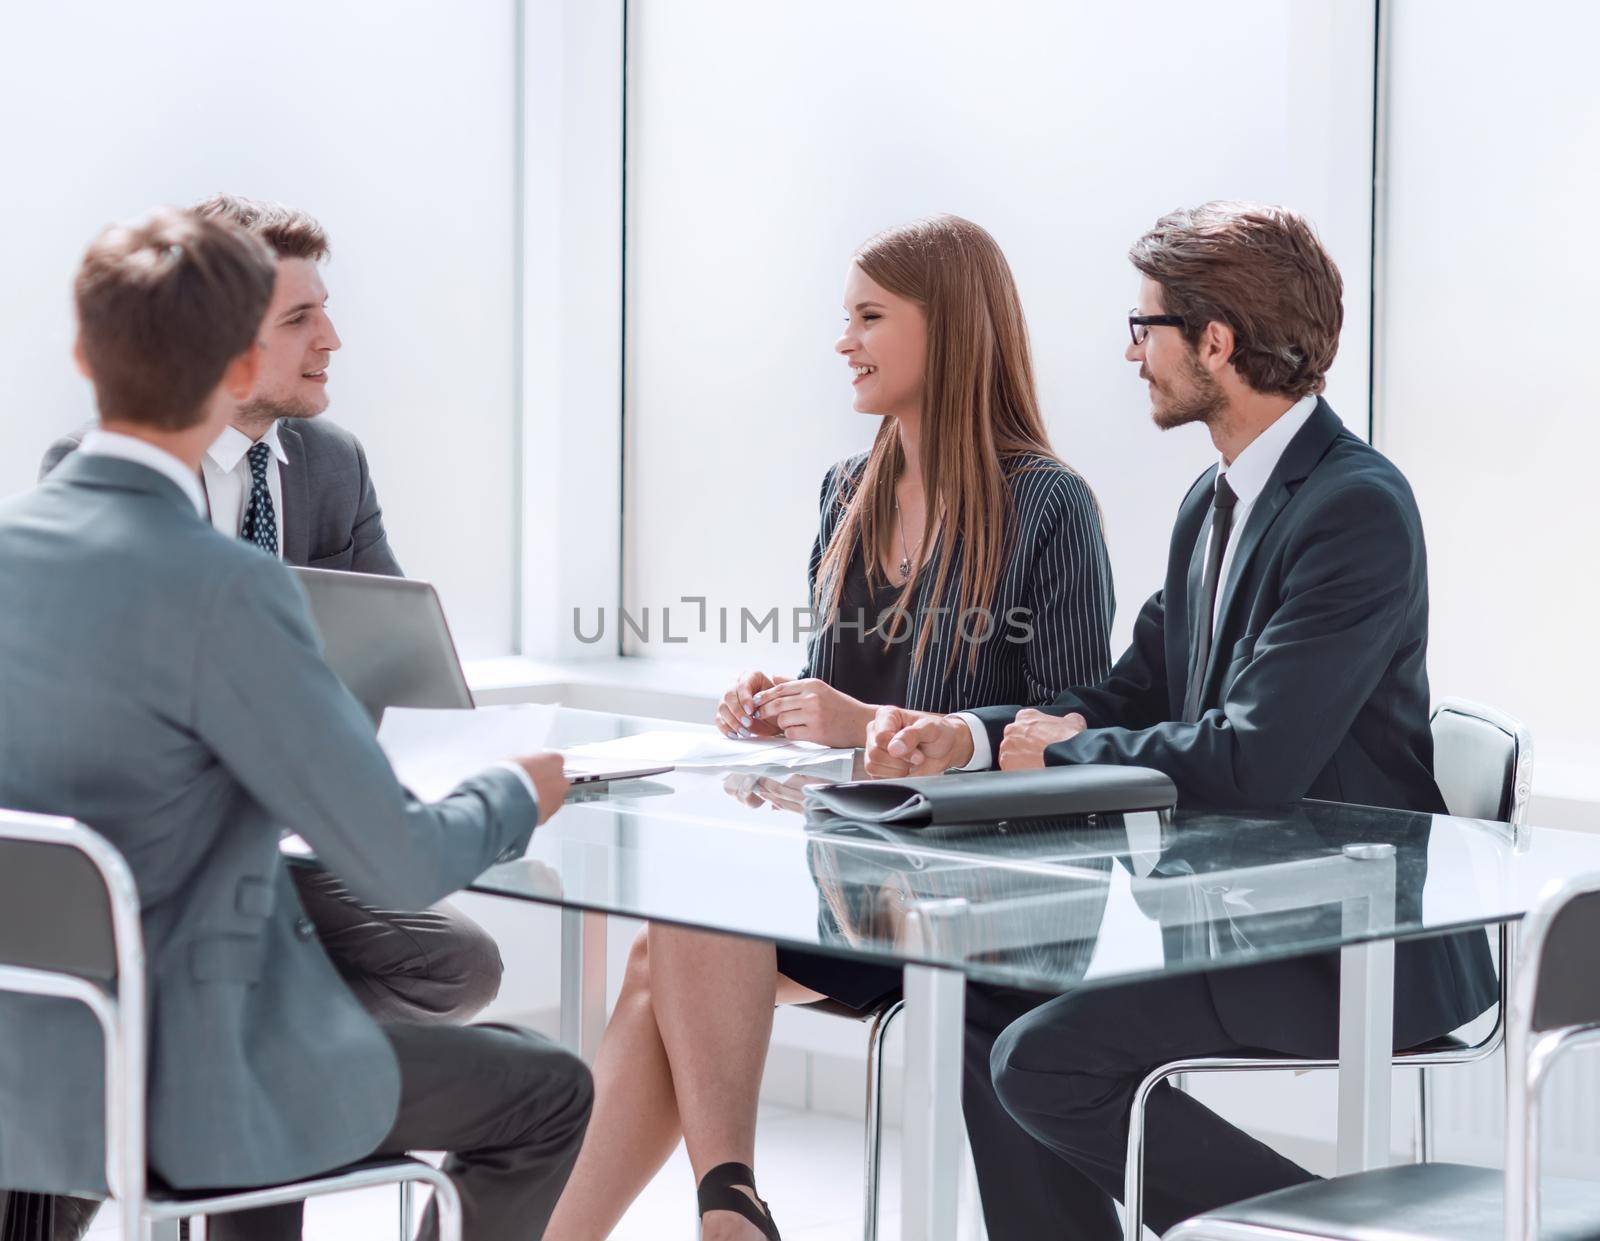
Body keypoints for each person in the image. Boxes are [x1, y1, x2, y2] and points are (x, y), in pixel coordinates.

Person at [866, 201, 1497, 1237]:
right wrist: (975, 736)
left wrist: (1065, 749)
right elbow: (1131, 693)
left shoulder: (1355, 507)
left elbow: (1254, 757)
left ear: (1216, 341)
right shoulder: (1213, 505)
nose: (1130, 352)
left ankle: (1320, 1232)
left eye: (1144, 326)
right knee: (987, 999)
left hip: (1345, 937)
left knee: (1045, 1054)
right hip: (1246, 909)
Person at [0, 208, 591, 1241]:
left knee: (305, 992)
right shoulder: (224, 584)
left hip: (30, 1049)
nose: (331, 341)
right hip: (182, 1075)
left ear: (83, 353)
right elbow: (402, 860)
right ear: (237, 364)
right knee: (548, 1090)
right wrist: (516, 790)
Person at [545, 214, 1115, 1240]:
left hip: (978, 897)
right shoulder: (847, 492)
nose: (843, 341)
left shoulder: (1048, 506)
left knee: (659, 956)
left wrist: (878, 721)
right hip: (848, 875)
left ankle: (704, 1206)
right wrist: (781, 708)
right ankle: (726, 1203)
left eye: (867, 316)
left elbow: (1071, 722)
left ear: (948, 330)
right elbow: (835, 692)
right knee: (683, 905)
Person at [41, 194, 504, 1033]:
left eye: (327, 312)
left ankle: (242, 1053)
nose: (332, 339)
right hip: (168, 841)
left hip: (295, 828)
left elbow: (400, 656)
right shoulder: (112, 468)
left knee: (459, 964)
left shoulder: (333, 463)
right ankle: (211, 1065)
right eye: (301, 318)